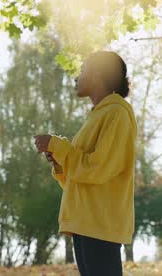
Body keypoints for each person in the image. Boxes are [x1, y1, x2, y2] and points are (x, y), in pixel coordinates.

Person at [34, 51, 137, 276]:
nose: (76, 77)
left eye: (82, 71)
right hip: (85, 223)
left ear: (99, 74)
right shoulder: (98, 117)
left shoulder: (116, 114)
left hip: (100, 223)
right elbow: (81, 178)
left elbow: (99, 169)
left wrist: (59, 146)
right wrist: (58, 162)